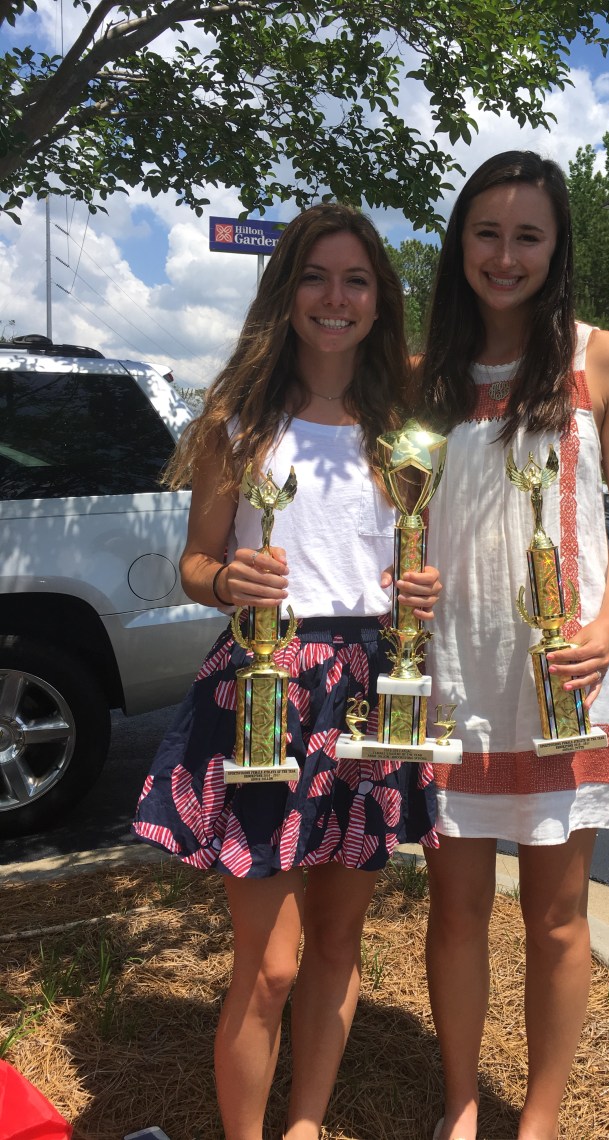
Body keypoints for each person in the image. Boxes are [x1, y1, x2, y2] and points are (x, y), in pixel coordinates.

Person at [133, 204, 441, 1140]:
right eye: (316, 277)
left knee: (339, 943)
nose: (335, 298)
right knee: (268, 966)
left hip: (367, 693)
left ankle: (304, 1125)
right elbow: (194, 562)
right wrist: (229, 578)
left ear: (379, 300)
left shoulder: (401, 432)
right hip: (264, 688)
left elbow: (409, 561)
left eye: (355, 281)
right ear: (287, 292)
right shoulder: (239, 419)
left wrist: (423, 592)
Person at [416, 151, 609, 1140]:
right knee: (455, 910)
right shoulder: (420, 372)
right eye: (487, 233)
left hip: (570, 681)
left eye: (527, 236)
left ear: (556, 250)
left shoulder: (606, 359)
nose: (504, 256)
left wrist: (602, 630)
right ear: (459, 242)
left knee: (557, 916)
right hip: (452, 678)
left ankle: (541, 1120)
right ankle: (465, 1104)